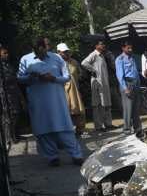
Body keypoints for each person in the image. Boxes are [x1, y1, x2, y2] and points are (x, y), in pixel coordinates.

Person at [17, 37, 83, 166]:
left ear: (45, 47)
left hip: (57, 101)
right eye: (35, 51)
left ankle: (76, 156)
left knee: (64, 129)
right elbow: (20, 78)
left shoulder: (56, 58)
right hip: (37, 102)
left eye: (41, 50)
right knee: (43, 130)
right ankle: (52, 157)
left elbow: (66, 77)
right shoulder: (25, 59)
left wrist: (53, 78)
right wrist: (31, 77)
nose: (38, 53)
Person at [81, 39, 115, 131]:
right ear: (96, 46)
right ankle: (99, 126)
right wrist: (93, 70)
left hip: (104, 83)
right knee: (98, 105)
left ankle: (108, 124)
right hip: (97, 83)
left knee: (106, 104)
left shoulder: (103, 55)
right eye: (101, 44)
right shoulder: (94, 54)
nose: (103, 46)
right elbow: (84, 63)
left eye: (103, 44)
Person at [56, 43, 86, 137]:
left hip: (75, 91)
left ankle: (79, 130)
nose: (66, 53)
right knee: (66, 111)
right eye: (64, 52)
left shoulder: (74, 62)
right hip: (62, 91)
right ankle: (66, 131)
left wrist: (77, 78)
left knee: (78, 110)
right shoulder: (56, 63)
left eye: (67, 51)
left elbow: (81, 73)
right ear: (59, 52)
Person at [115, 41, 142, 136]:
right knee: (128, 108)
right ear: (123, 48)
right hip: (127, 83)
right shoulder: (120, 59)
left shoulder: (132, 58)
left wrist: (138, 85)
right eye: (128, 48)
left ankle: (137, 128)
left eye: (131, 48)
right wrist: (125, 88)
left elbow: (136, 73)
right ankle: (126, 129)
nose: (130, 50)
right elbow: (119, 75)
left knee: (136, 107)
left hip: (135, 84)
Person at [0, 44, 25, 142]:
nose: (7, 55)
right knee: (9, 115)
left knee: (16, 113)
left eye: (7, 53)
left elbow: (14, 79)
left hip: (14, 92)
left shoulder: (8, 65)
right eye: (4, 53)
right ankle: (10, 137)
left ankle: (16, 133)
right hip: (6, 94)